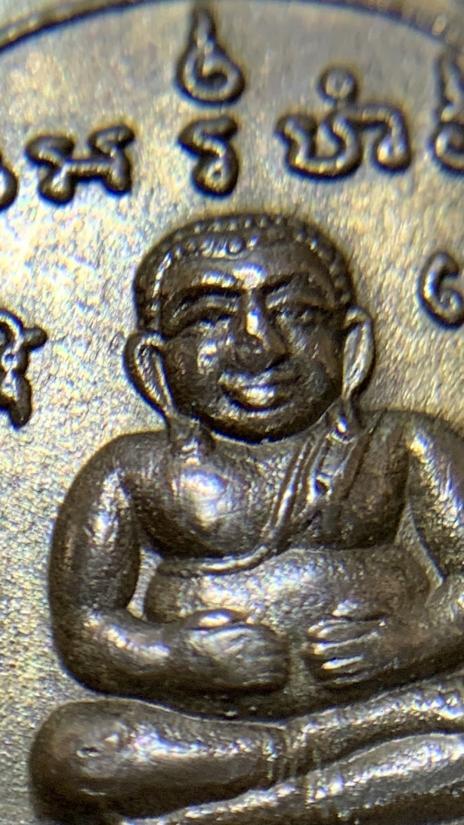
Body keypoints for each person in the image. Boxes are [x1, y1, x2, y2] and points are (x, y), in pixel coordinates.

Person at [32, 214, 464, 824]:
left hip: (389, 704)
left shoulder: (403, 442)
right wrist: (179, 655)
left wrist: (406, 640)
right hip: (215, 734)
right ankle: (294, 769)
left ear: (351, 344)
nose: (260, 343)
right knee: (72, 750)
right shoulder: (133, 468)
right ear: (154, 364)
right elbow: (84, 626)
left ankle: (260, 811)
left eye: (298, 313)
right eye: (210, 318)